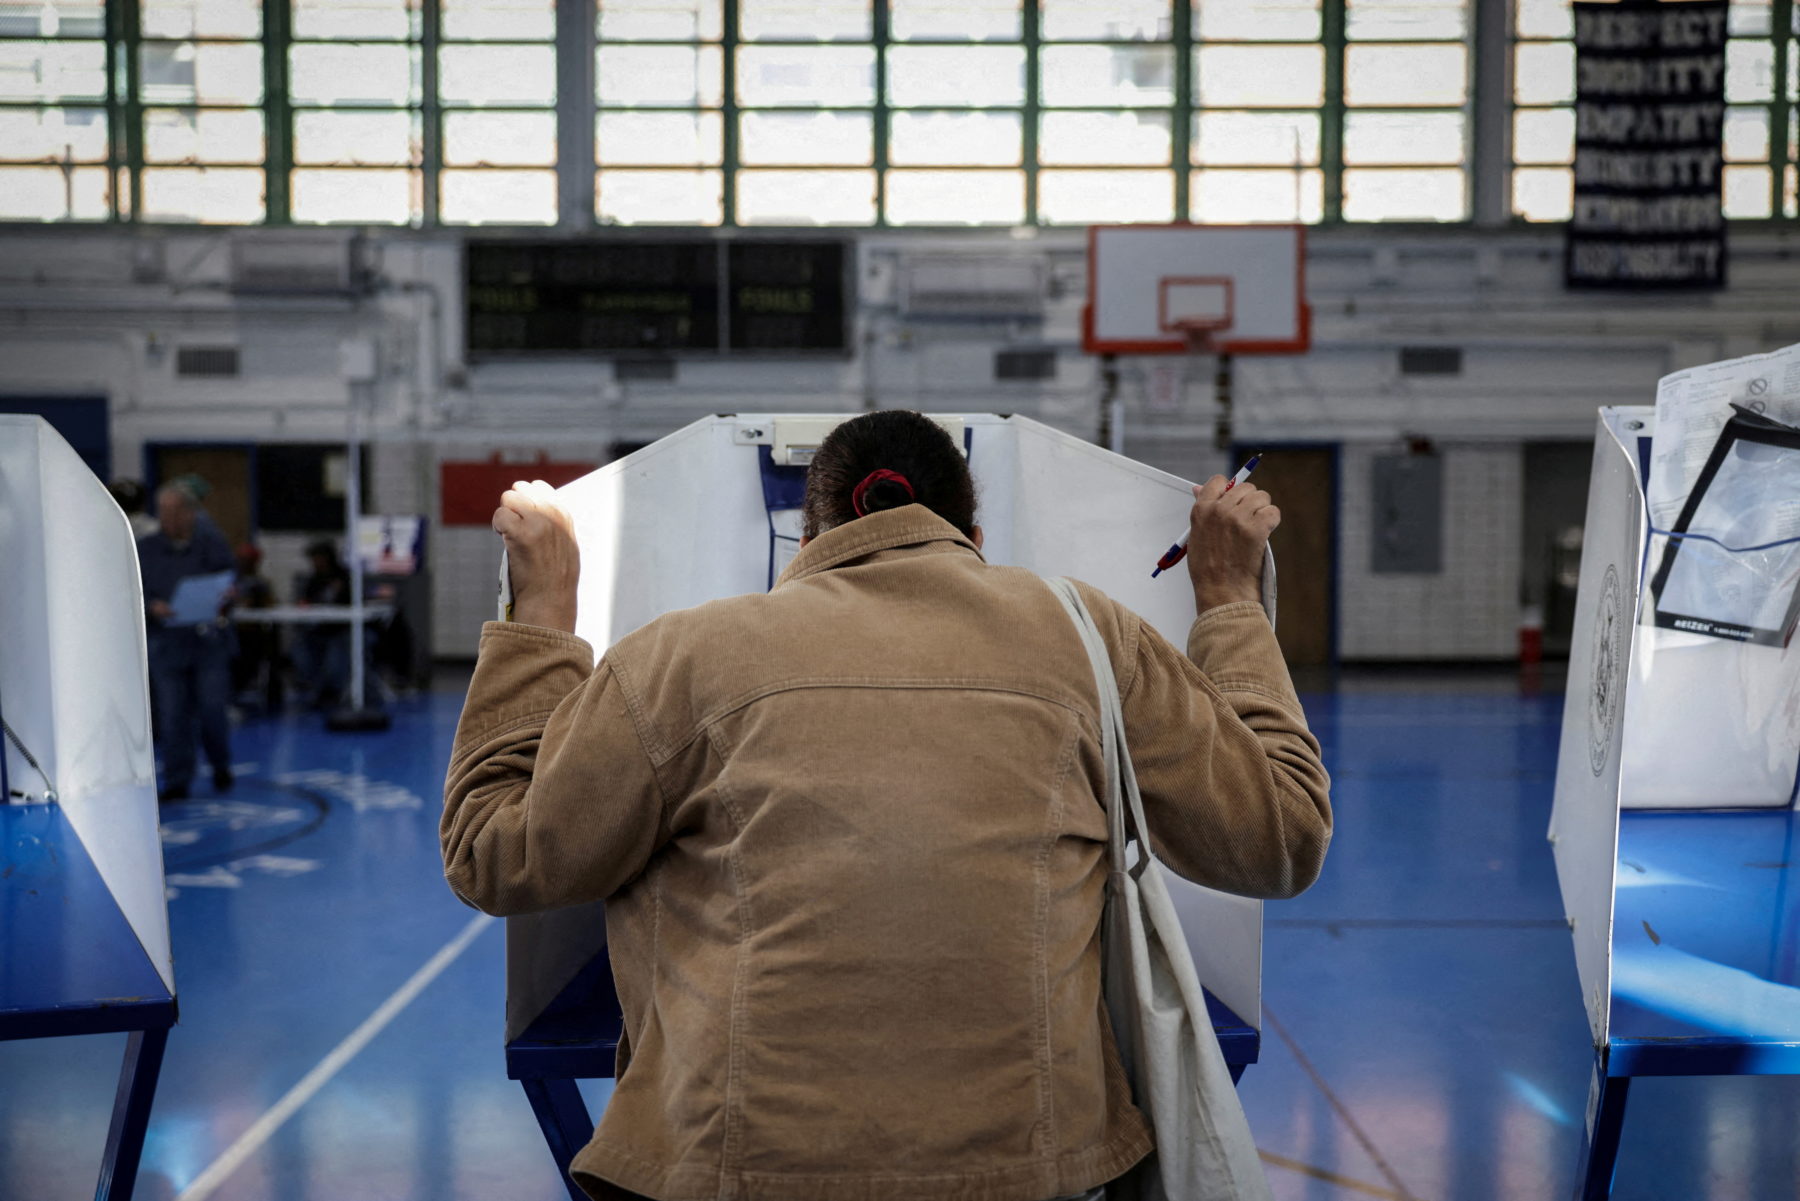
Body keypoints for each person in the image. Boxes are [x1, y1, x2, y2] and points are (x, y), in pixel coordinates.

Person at [442, 411, 1332, 1201]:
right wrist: (1227, 603)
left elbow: (496, 853)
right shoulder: (1088, 636)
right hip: (1026, 1167)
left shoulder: (683, 654)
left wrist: (542, 615)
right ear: (972, 532)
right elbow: (1280, 839)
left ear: (807, 538)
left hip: (731, 1167)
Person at [139, 483, 236, 802]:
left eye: (176, 511)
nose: (170, 518)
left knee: (212, 708)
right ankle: (178, 779)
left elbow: (233, 581)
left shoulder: (211, 544)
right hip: (167, 644)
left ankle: (221, 765)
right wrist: (152, 606)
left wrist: (229, 595)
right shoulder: (146, 549)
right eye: (164, 512)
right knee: (172, 714)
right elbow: (132, 590)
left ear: (191, 512)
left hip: (207, 641)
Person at [291, 539, 351, 708]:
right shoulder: (313, 579)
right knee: (300, 648)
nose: (315, 562)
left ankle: (332, 691)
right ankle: (316, 688)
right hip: (317, 629)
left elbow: (350, 604)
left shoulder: (345, 577)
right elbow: (306, 601)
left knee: (336, 652)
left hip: (341, 629)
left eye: (318, 558)